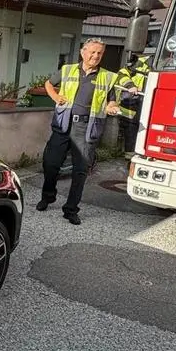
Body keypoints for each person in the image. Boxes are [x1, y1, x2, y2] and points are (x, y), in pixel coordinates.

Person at [37, 37, 123, 225]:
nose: (96, 56)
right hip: (63, 125)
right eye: (92, 52)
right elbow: (48, 84)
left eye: (99, 53)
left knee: (80, 170)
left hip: (86, 128)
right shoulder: (68, 70)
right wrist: (56, 97)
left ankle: (71, 209)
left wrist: (111, 107)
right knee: (50, 163)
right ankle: (48, 196)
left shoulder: (108, 77)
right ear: (83, 52)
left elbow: (112, 100)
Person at [116, 53, 151, 158]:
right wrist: (130, 85)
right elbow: (122, 74)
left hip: (150, 102)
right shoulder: (141, 62)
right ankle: (130, 155)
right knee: (130, 127)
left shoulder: (168, 62)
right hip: (133, 102)